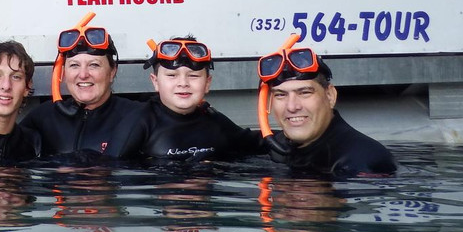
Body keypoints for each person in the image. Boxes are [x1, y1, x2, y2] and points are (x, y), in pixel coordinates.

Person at [258, 42, 397, 177]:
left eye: (305, 92)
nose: (292, 106)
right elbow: (238, 138)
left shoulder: (362, 159)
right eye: (280, 95)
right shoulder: (278, 143)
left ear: (330, 95)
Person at [120, 36, 263, 161]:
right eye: (172, 75)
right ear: (155, 82)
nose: (183, 83)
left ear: (207, 83)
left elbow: (259, 143)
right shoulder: (140, 123)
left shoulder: (215, 121)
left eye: (193, 76)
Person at [19, 18, 141, 157]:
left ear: (112, 72)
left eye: (94, 65)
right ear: (63, 73)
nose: (83, 75)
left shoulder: (138, 117)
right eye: (74, 65)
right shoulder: (42, 118)